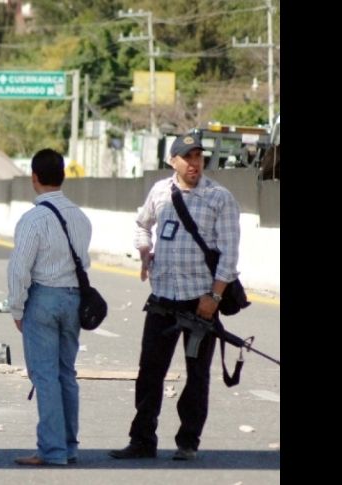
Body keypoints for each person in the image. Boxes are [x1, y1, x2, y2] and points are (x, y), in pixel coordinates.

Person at [109, 133, 242, 462]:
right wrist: (144, 249)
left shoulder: (219, 198)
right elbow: (142, 224)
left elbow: (229, 255)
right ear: (173, 161)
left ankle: (188, 442)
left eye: (199, 157)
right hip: (163, 299)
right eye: (188, 157)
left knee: (197, 375)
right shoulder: (160, 191)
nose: (195, 163)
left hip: (200, 303)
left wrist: (214, 296)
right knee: (149, 372)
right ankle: (142, 440)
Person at [7, 148, 92, 466]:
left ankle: (52, 450)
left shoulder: (33, 219)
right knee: (66, 374)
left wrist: (17, 309)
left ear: (34, 178)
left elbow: (19, 269)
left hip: (43, 299)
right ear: (63, 176)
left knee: (44, 377)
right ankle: (69, 447)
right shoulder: (81, 217)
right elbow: (84, 262)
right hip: (73, 299)